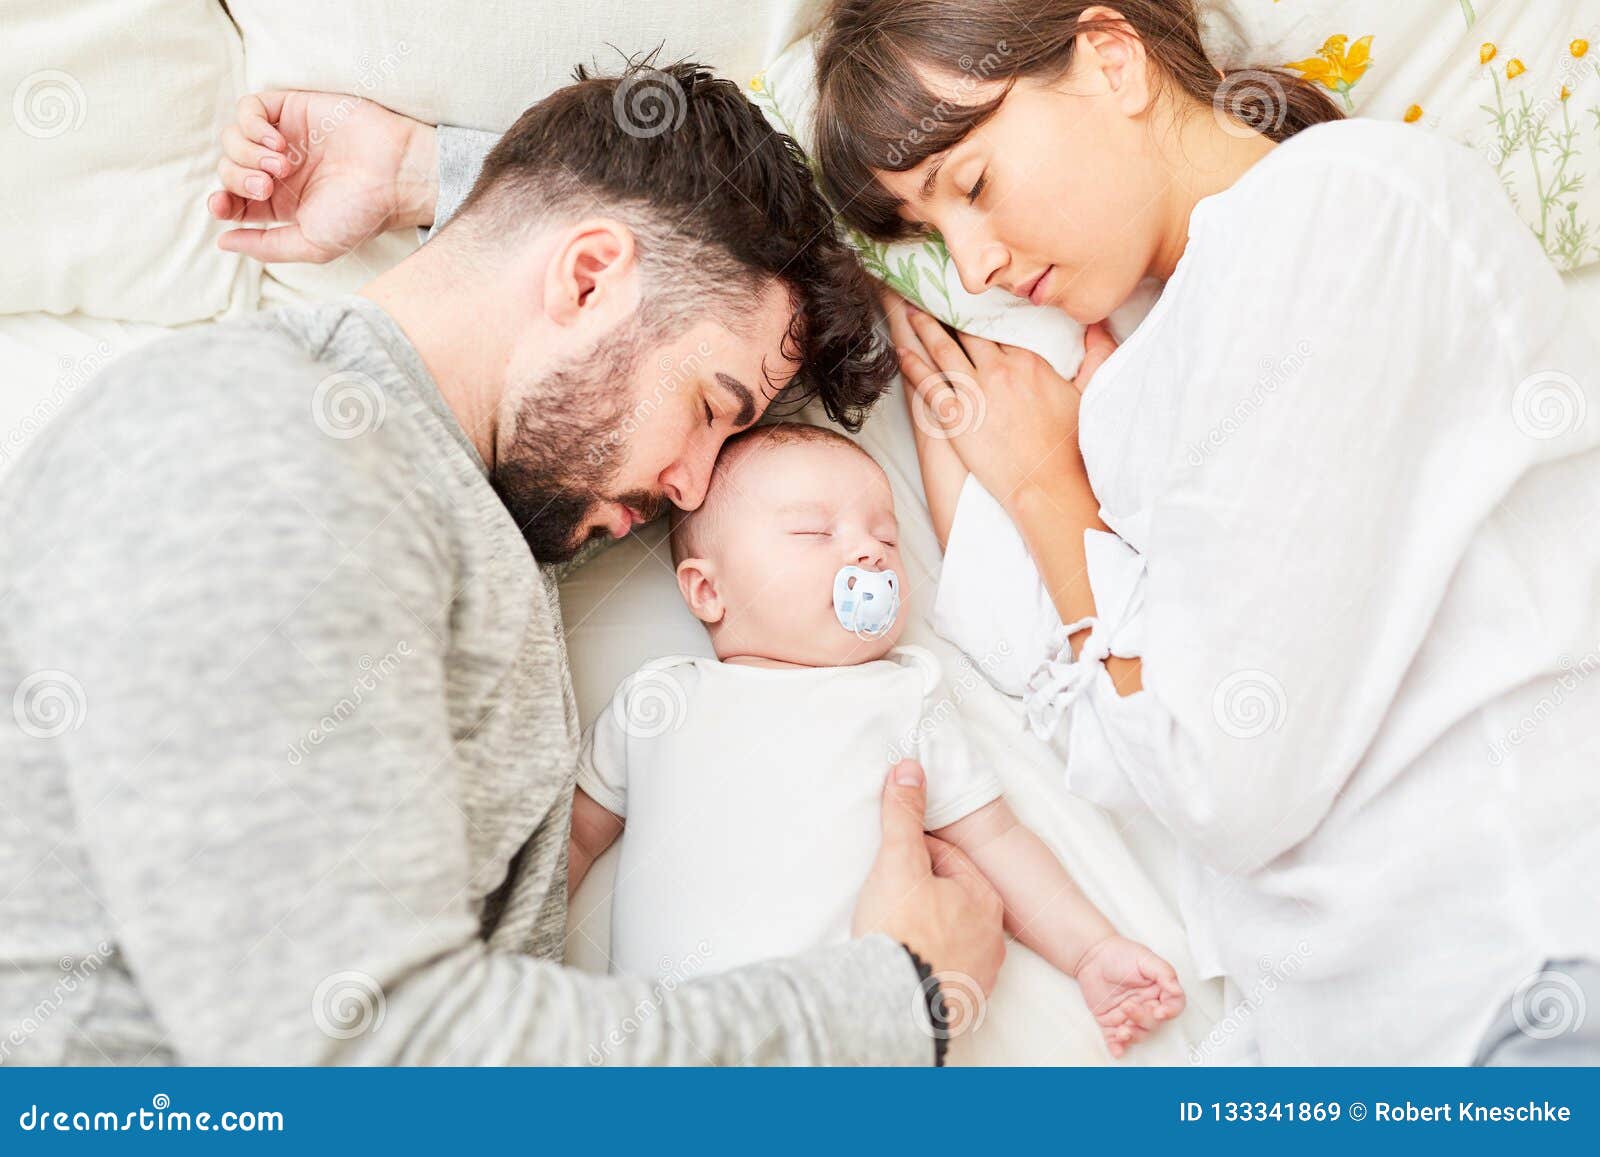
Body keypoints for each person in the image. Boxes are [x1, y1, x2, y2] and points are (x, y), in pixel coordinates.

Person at [0, 61, 1006, 1066]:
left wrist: (422, 173)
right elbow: (369, 1058)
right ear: (584, 278)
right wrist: (897, 996)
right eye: (711, 406)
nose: (697, 488)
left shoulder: (462, 486)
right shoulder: (270, 447)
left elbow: (606, 245)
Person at [809, 0, 1600, 1063]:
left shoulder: (1350, 207)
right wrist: (1028, 472)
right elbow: (1101, 724)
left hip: (1513, 985)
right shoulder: (1133, 376)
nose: (971, 265)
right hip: (1331, 1044)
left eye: (973, 184)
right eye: (925, 234)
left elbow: (1217, 777)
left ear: (1110, 58)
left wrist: (1050, 493)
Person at [568, 422, 1187, 1058]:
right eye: (814, 532)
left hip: (853, 1040)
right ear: (707, 589)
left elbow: (995, 841)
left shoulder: (903, 697)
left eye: (887, 536)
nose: (870, 553)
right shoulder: (660, 700)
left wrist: (1089, 950)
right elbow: (575, 837)